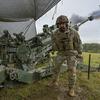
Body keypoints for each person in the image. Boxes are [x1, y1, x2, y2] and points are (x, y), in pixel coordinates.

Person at [49, 15, 82, 97]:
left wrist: (79, 52)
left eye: (63, 23)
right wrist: (53, 49)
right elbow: (53, 43)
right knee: (56, 68)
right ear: (57, 25)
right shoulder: (55, 34)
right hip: (61, 53)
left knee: (72, 71)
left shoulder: (73, 32)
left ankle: (71, 89)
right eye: (60, 24)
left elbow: (78, 43)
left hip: (71, 53)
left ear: (67, 24)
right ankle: (54, 81)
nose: (62, 25)